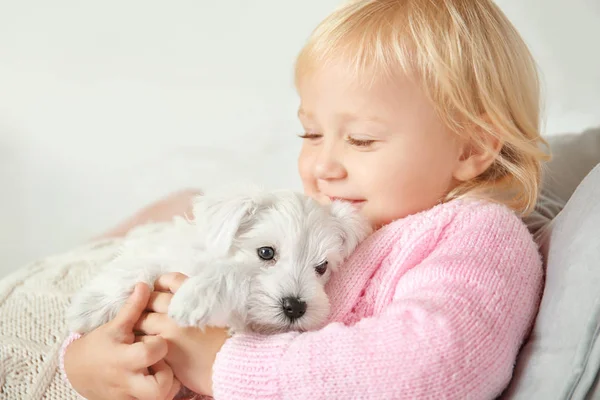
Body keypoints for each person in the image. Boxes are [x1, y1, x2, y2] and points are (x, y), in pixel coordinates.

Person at [61, 0, 551, 398]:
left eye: (361, 139)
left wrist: (222, 366)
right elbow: (181, 270)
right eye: (311, 133)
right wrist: (87, 360)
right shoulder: (316, 220)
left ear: (470, 148)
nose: (323, 165)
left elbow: (435, 367)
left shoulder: (475, 234)